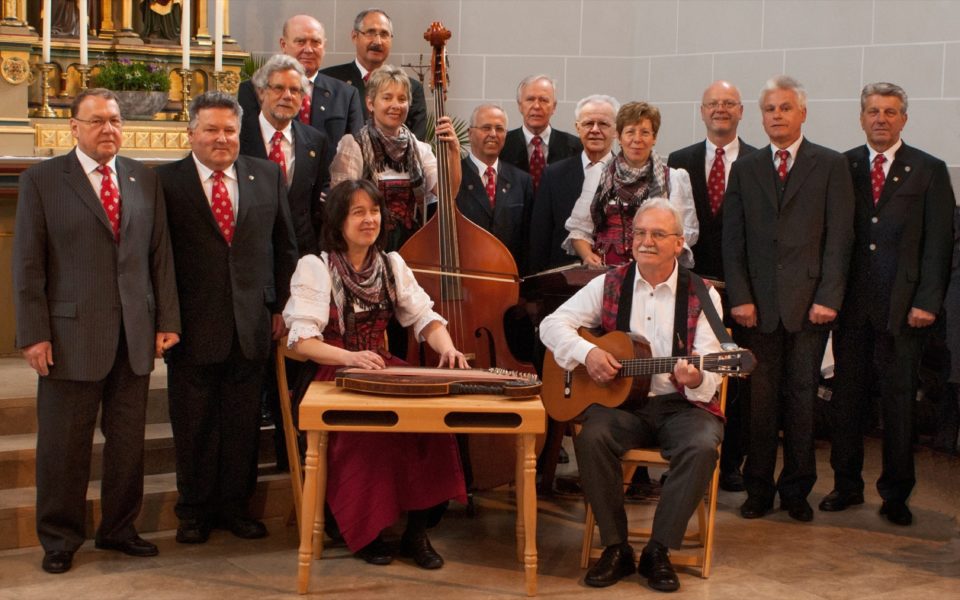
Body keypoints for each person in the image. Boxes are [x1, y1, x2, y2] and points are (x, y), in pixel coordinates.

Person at [13, 88, 180, 574]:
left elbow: (159, 256)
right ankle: (59, 538)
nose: (108, 129)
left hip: (133, 333)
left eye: (115, 120)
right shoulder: (42, 180)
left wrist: (166, 320)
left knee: (127, 444)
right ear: (74, 127)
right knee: (64, 446)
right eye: (97, 121)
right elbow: (28, 264)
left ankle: (119, 529)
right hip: (69, 337)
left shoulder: (143, 179)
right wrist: (33, 333)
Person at [540, 198, 725, 593]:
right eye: (639, 233)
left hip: (682, 406)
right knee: (591, 436)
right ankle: (616, 547)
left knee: (702, 445)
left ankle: (659, 550)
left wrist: (694, 377)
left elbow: (711, 367)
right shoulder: (610, 282)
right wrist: (588, 354)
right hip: (623, 405)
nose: (645, 241)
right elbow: (551, 325)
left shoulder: (704, 293)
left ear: (679, 243)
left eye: (657, 234)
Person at [282, 178, 468, 569]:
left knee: (430, 423)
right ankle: (366, 531)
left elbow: (424, 316)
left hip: (380, 367)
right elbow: (302, 341)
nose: (370, 220)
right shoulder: (316, 267)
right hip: (331, 373)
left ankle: (417, 532)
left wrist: (448, 347)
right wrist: (349, 357)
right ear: (338, 221)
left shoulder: (391, 264)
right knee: (366, 431)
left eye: (374, 211)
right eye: (358, 212)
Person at [158, 92, 299, 544]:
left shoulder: (267, 175)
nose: (222, 138)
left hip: (252, 322)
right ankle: (194, 512)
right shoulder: (165, 182)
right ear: (191, 134)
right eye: (211, 130)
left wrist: (280, 307)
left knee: (242, 424)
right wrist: (165, 318)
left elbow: (284, 247)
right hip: (191, 325)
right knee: (194, 424)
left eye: (230, 130)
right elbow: (157, 259)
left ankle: (236, 508)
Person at [723, 75, 855, 523]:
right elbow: (733, 241)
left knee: (802, 401)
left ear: (802, 113)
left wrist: (829, 297)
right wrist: (740, 296)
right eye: (769, 109)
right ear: (760, 117)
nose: (776, 116)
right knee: (760, 403)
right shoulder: (746, 168)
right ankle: (758, 488)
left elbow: (840, 238)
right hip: (756, 308)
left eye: (784, 108)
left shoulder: (830, 164)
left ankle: (797, 489)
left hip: (810, 305)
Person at [823, 82, 955, 525]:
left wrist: (928, 301)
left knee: (899, 404)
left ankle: (896, 493)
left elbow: (940, 243)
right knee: (847, 400)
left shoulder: (929, 169)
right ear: (862, 117)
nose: (881, 118)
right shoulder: (843, 166)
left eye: (890, 112)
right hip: (851, 308)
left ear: (904, 119)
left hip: (903, 310)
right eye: (874, 111)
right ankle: (846, 485)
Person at [667, 80, 756, 492]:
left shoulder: (757, 160)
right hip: (688, 287)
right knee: (688, 369)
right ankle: (683, 456)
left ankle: (731, 461)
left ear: (741, 111)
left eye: (729, 103)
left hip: (742, 290)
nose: (720, 109)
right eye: (713, 104)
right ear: (702, 111)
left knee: (734, 376)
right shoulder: (679, 160)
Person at [329, 63, 461, 253]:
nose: (395, 105)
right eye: (387, 97)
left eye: (402, 99)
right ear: (370, 103)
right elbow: (342, 207)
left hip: (412, 248)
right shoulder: (354, 146)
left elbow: (448, 193)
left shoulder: (419, 149)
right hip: (367, 248)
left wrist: (454, 151)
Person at [564, 101, 698, 269]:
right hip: (605, 272)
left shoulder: (674, 178)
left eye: (645, 132)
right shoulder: (598, 174)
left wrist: (654, 264)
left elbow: (683, 235)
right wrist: (587, 256)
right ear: (619, 137)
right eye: (630, 132)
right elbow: (580, 230)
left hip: (654, 272)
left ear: (654, 138)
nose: (637, 139)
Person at [239, 54, 329, 257]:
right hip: (251, 251)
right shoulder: (238, 137)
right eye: (278, 88)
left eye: (295, 90)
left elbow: (313, 204)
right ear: (261, 92)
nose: (287, 96)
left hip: (300, 252)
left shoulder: (315, 141)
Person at [238, 14, 363, 152]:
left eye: (315, 42)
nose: (308, 50)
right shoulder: (253, 90)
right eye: (300, 42)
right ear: (283, 44)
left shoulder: (346, 94)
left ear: (324, 46)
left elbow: (355, 151)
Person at [528, 94, 619, 274]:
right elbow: (540, 237)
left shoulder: (629, 176)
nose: (595, 130)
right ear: (577, 128)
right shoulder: (553, 174)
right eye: (588, 123)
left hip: (614, 279)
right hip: (562, 281)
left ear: (616, 130)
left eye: (603, 124)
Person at [321, 8, 427, 140]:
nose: (378, 41)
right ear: (354, 36)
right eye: (370, 33)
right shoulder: (329, 80)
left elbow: (417, 142)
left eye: (384, 34)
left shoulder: (412, 88)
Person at [455, 103, 534, 273]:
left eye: (499, 129)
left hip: (508, 277)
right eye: (486, 128)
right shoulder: (453, 177)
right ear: (470, 133)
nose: (493, 134)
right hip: (465, 276)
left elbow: (527, 239)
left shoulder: (522, 180)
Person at [500, 75, 583, 191]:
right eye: (530, 99)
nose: (536, 106)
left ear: (554, 107)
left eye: (544, 100)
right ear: (520, 106)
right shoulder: (502, 145)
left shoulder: (576, 148)